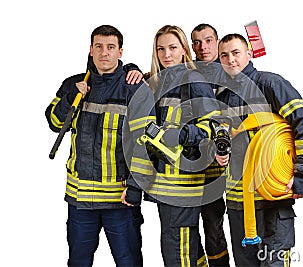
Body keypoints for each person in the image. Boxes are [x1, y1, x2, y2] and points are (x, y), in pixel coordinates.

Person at [45, 25, 154, 267]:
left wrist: (136, 187)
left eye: (111, 47)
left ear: (120, 52)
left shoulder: (134, 88)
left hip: (120, 200)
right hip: (80, 200)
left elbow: (145, 145)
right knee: (78, 262)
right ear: (90, 50)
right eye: (99, 46)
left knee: (129, 262)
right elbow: (54, 122)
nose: (104, 53)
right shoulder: (72, 85)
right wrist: (71, 99)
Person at [215, 33, 303, 267]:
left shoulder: (270, 84)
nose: (230, 59)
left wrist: (302, 173)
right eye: (224, 55)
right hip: (237, 203)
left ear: (249, 53)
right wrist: (219, 152)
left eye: (236, 53)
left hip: (271, 200)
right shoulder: (222, 95)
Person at [123, 25, 221, 267]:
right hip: (162, 187)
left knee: (177, 253)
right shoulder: (154, 84)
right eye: (161, 49)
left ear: (184, 50)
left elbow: (216, 126)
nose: (167, 54)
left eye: (173, 48)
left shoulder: (194, 80)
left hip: (184, 187)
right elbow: (144, 141)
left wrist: (182, 134)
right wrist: (130, 69)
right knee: (181, 247)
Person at [191, 23, 230, 266]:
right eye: (196, 42)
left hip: (222, 167)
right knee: (187, 225)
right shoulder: (185, 72)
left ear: (217, 41)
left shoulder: (232, 72)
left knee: (214, 225)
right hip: (192, 163)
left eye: (208, 40)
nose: (202, 47)